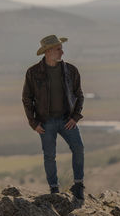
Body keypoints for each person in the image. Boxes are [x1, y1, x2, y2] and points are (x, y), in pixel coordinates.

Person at [22, 34, 85, 200]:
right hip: (45, 122)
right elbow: (26, 99)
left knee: (78, 148)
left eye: (61, 49)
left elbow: (79, 95)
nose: (62, 52)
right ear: (48, 51)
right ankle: (54, 189)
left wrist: (75, 117)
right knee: (49, 156)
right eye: (59, 49)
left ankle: (78, 185)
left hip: (67, 120)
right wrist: (33, 122)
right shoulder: (33, 72)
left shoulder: (71, 70)